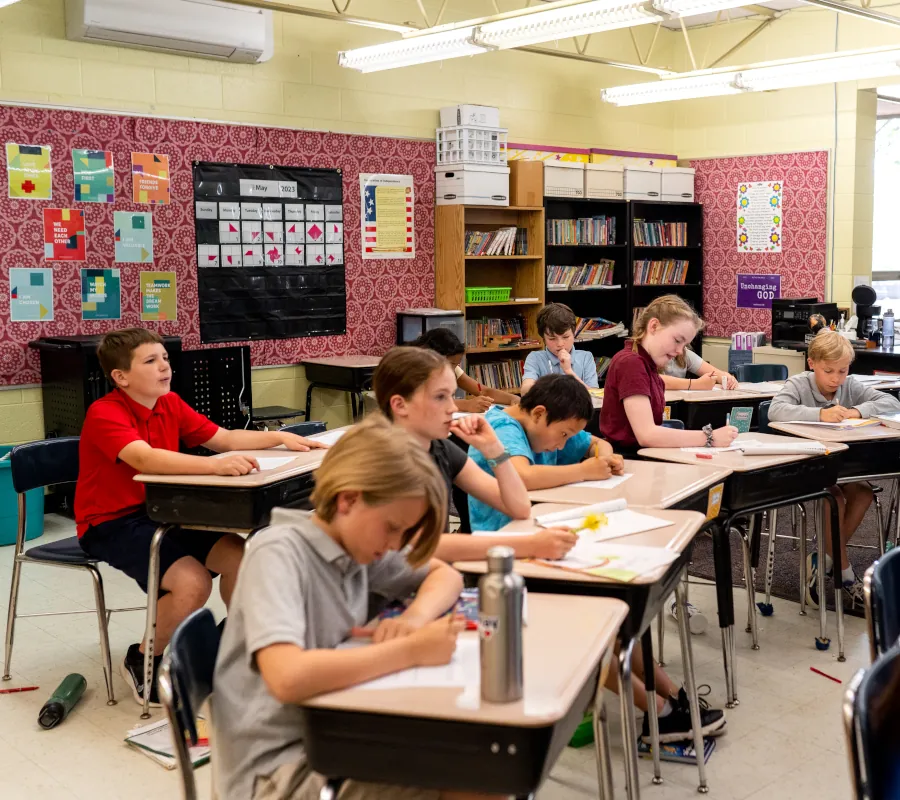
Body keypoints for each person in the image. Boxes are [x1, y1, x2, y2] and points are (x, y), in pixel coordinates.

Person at [213, 416, 501, 800]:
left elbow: (443, 576)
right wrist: (409, 650)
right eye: (393, 527)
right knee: (480, 780)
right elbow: (287, 677)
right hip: (277, 771)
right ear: (348, 499)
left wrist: (414, 619)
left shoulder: (357, 546)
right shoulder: (278, 553)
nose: (397, 544)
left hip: (335, 730)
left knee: (482, 760)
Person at [75, 328, 328, 706]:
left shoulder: (170, 403)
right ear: (121, 377)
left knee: (242, 559)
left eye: (164, 358)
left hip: (166, 510)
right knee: (193, 584)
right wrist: (214, 467)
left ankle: (229, 648)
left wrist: (280, 438)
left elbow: (222, 438)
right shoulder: (104, 412)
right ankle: (143, 658)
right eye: (150, 361)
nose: (164, 366)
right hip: (111, 522)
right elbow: (144, 459)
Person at [373, 346, 577, 562]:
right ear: (400, 405)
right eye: (441, 397)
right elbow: (423, 545)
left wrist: (494, 450)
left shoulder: (440, 448)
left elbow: (519, 507)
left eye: (452, 396)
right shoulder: (387, 459)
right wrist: (530, 545)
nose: (453, 407)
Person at [769, 330, 900, 608]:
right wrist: (819, 414)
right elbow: (775, 410)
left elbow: (891, 403)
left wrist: (856, 411)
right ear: (811, 363)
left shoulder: (850, 385)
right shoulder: (799, 384)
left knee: (864, 494)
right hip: (807, 467)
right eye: (828, 371)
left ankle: (823, 559)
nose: (835, 379)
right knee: (835, 499)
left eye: (842, 371)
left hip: (842, 466)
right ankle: (845, 572)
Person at [467, 374, 622, 531]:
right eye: (564, 434)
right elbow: (521, 477)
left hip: (538, 523)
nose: (562, 445)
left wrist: (605, 460)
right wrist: (584, 470)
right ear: (538, 414)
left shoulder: (547, 425)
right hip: (502, 535)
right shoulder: (501, 428)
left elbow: (597, 443)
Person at [600, 295, 738, 457]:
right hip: (630, 460)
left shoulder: (647, 364)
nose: (680, 351)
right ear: (653, 326)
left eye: (684, 345)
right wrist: (710, 437)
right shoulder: (631, 363)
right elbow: (647, 435)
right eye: (677, 340)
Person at [412, 327, 519, 412]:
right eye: (452, 363)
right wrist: (467, 405)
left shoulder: (450, 368)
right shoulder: (414, 370)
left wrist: (513, 398)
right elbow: (425, 402)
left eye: (457, 364)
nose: (454, 369)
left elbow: (484, 391)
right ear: (434, 356)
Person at [521, 303, 598, 393]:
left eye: (565, 337)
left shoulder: (586, 358)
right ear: (544, 339)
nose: (560, 344)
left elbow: (595, 396)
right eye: (552, 339)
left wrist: (568, 371)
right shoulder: (535, 358)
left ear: (574, 334)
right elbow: (525, 391)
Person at [662, 346, 736, 391]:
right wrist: (697, 384)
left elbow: (715, 372)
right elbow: (656, 379)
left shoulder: (684, 353)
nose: (680, 351)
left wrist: (727, 378)